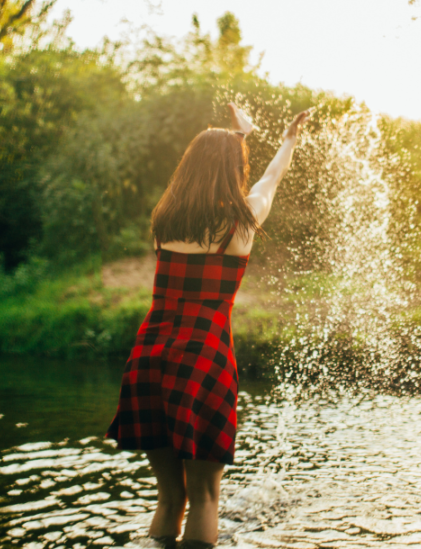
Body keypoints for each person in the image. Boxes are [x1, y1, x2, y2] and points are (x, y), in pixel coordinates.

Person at [105, 102, 310, 549]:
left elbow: (211, 171)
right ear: (232, 168)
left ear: (188, 166)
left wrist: (237, 136)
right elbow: (269, 178)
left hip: (150, 356)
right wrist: (286, 140)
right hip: (203, 360)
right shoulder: (243, 223)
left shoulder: (164, 220)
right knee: (205, 498)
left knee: (170, 495)